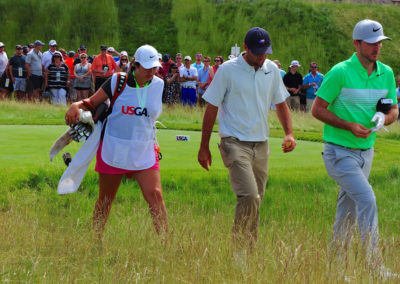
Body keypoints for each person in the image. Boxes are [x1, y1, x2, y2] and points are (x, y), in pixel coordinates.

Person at [198, 27, 296, 250]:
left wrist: (289, 132)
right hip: (233, 142)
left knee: (257, 198)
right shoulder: (227, 70)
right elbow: (211, 107)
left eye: (265, 52)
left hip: (261, 144)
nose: (262, 57)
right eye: (257, 53)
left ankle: (249, 252)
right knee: (249, 196)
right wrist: (204, 147)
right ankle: (239, 251)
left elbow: (280, 103)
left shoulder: (271, 69)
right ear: (245, 49)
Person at [312, 19, 398, 269]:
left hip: (366, 152)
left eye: (380, 42)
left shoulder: (387, 73)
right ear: (356, 44)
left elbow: (393, 109)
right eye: (371, 43)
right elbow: (317, 110)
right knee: (368, 199)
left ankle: (335, 270)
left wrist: (385, 118)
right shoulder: (339, 72)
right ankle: (375, 267)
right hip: (339, 152)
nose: (377, 47)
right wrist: (349, 126)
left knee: (347, 210)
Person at [64, 44, 168, 240]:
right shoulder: (117, 81)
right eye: (147, 68)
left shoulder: (159, 85)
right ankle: (95, 241)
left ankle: (167, 244)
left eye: (155, 67)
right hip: (114, 148)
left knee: (155, 195)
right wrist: (75, 105)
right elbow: (91, 103)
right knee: (105, 200)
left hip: (144, 148)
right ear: (135, 65)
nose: (152, 72)